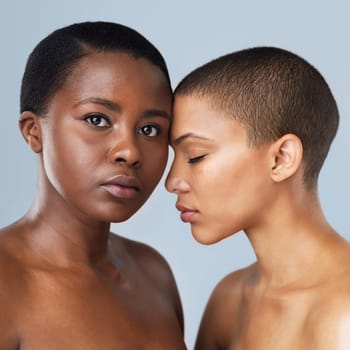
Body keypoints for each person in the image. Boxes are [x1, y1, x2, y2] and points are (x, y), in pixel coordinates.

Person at [0, 21, 186, 349]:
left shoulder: (153, 273)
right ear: (33, 131)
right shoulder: (6, 284)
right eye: (97, 119)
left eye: (150, 129)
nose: (129, 151)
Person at [166, 46, 350, 349]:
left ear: (281, 158)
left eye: (196, 156)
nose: (173, 182)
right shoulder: (228, 300)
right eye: (175, 156)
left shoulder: (343, 311)